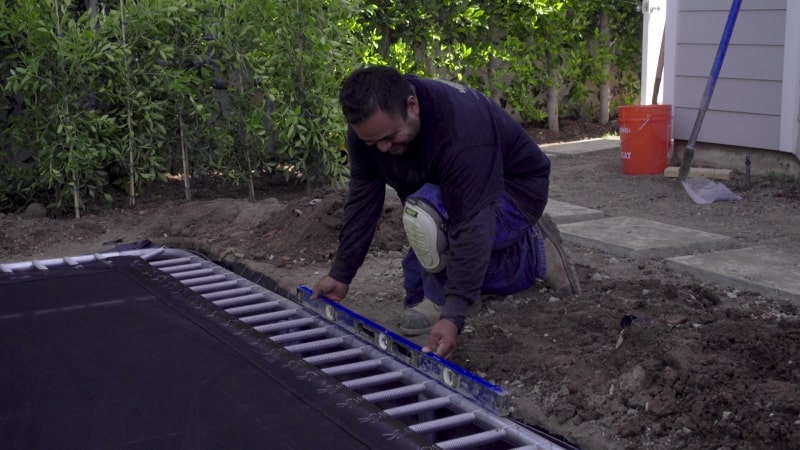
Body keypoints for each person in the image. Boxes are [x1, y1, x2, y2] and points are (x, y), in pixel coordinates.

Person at [312, 65, 580, 359]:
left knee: (432, 225)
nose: (383, 148)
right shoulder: (371, 132)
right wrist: (341, 273)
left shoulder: (460, 128)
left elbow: (472, 222)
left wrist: (453, 314)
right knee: (423, 257)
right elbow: (363, 202)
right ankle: (445, 290)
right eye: (372, 143)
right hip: (447, 194)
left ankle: (535, 254)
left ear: (412, 106)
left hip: (514, 192)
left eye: (390, 136)